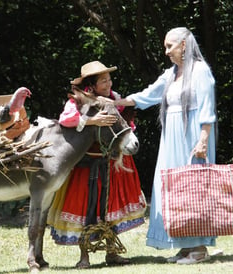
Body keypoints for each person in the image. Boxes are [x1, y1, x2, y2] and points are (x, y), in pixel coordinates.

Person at [114, 27, 217, 264]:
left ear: (183, 45)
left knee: (192, 190)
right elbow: (148, 95)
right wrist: (116, 102)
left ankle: (198, 247)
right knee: (171, 189)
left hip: (192, 136)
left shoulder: (200, 72)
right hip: (171, 138)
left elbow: (207, 109)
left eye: (170, 46)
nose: (166, 51)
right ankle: (183, 245)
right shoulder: (172, 74)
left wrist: (203, 140)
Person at [47, 61, 147, 268]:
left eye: (109, 79)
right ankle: (84, 256)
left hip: (111, 162)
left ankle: (112, 252)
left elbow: (123, 122)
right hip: (86, 163)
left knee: (109, 206)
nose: (108, 83)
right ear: (91, 84)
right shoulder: (78, 101)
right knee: (87, 208)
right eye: (103, 80)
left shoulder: (114, 99)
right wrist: (93, 121)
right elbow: (65, 120)